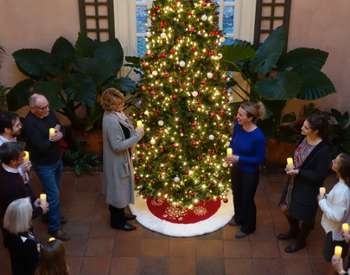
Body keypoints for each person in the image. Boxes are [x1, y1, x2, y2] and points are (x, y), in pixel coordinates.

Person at [277, 113, 332, 253]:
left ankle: (301, 241)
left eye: (306, 127)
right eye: (303, 125)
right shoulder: (304, 137)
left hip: (308, 187)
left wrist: (298, 172)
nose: (302, 128)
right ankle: (294, 231)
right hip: (293, 182)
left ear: (316, 131)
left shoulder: (323, 150)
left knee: (306, 217)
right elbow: (297, 155)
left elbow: (319, 175)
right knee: (285, 207)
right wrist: (290, 165)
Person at [22, 93, 69, 241]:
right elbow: (41, 146)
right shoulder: (29, 124)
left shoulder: (49, 113)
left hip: (56, 159)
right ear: (33, 109)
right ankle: (54, 228)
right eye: (43, 108)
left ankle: (48, 215)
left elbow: (60, 126)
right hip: (43, 165)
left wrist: (60, 134)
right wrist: (52, 138)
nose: (48, 109)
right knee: (54, 194)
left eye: (48, 106)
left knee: (53, 190)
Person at [101, 88, 144, 231]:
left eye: (122, 103)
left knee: (121, 189)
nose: (122, 107)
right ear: (110, 106)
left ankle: (121, 214)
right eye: (119, 105)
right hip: (117, 162)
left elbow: (125, 127)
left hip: (123, 159)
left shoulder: (116, 114)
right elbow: (117, 146)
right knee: (117, 191)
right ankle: (117, 222)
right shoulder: (110, 121)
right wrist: (137, 136)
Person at [226, 101, 266, 239]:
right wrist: (230, 152)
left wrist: (239, 159)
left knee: (247, 199)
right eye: (238, 113)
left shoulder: (258, 137)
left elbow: (259, 159)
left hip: (249, 173)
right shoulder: (238, 127)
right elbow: (233, 141)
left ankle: (249, 227)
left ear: (250, 118)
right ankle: (238, 218)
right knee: (237, 194)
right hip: (236, 169)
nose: (237, 116)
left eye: (241, 115)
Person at [0, 142, 48, 227]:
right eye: (21, 157)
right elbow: (20, 215)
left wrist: (33, 200)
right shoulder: (12, 185)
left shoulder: (5, 168)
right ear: (13, 161)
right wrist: (41, 209)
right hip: (15, 226)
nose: (24, 158)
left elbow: (25, 186)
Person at [319, 153, 350, 262]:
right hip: (337, 231)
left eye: (336, 162)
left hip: (336, 233)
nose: (332, 161)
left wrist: (322, 202)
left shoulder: (342, 191)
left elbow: (337, 217)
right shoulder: (342, 185)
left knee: (333, 260)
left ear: (341, 169)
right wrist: (326, 197)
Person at [3, 198, 40, 275]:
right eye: (30, 212)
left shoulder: (10, 232)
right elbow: (35, 262)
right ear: (24, 219)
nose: (31, 214)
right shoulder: (28, 243)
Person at [0, 111, 31, 182]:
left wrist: (25, 168)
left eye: (20, 123)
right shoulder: (2, 148)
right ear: (7, 129)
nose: (20, 126)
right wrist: (22, 169)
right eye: (17, 125)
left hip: (22, 181)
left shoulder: (13, 137)